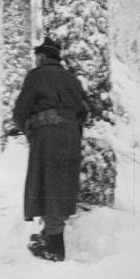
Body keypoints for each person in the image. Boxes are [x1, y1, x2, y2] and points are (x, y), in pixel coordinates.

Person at [13, 37, 87, 262]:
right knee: (60, 187)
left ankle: (55, 249)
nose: (36, 60)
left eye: (37, 56)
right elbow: (84, 112)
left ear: (42, 56)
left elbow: (20, 112)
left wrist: (30, 129)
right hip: (71, 136)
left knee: (47, 186)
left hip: (47, 137)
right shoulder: (73, 80)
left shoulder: (36, 76)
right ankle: (49, 236)